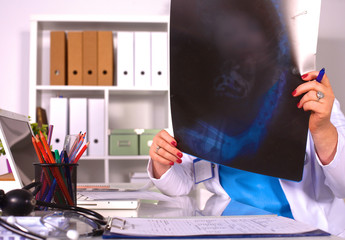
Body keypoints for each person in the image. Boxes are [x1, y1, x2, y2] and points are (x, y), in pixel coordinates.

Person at [147, 70, 345, 237]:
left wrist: (322, 129)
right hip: (232, 228)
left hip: (305, 230)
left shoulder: (309, 93)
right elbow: (181, 184)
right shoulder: (204, 100)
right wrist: (162, 163)